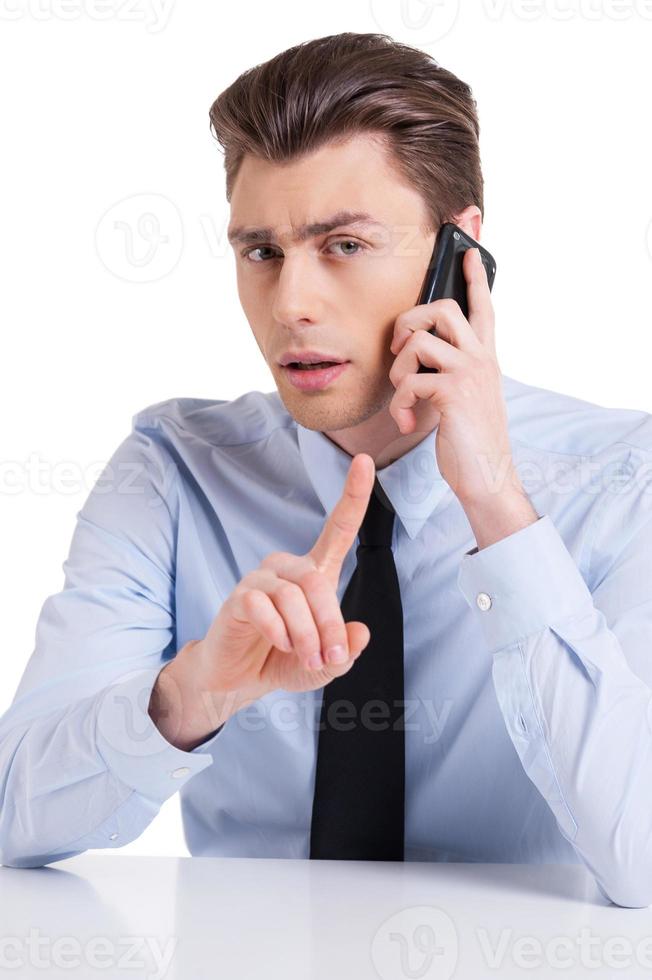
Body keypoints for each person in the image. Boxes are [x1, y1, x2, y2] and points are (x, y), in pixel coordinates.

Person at [1, 31, 651, 909]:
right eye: (262, 252)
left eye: (343, 245)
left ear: (458, 254)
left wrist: (497, 503)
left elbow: (641, 858)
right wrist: (194, 694)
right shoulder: (171, 473)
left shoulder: (622, 480)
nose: (292, 305)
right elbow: (13, 819)